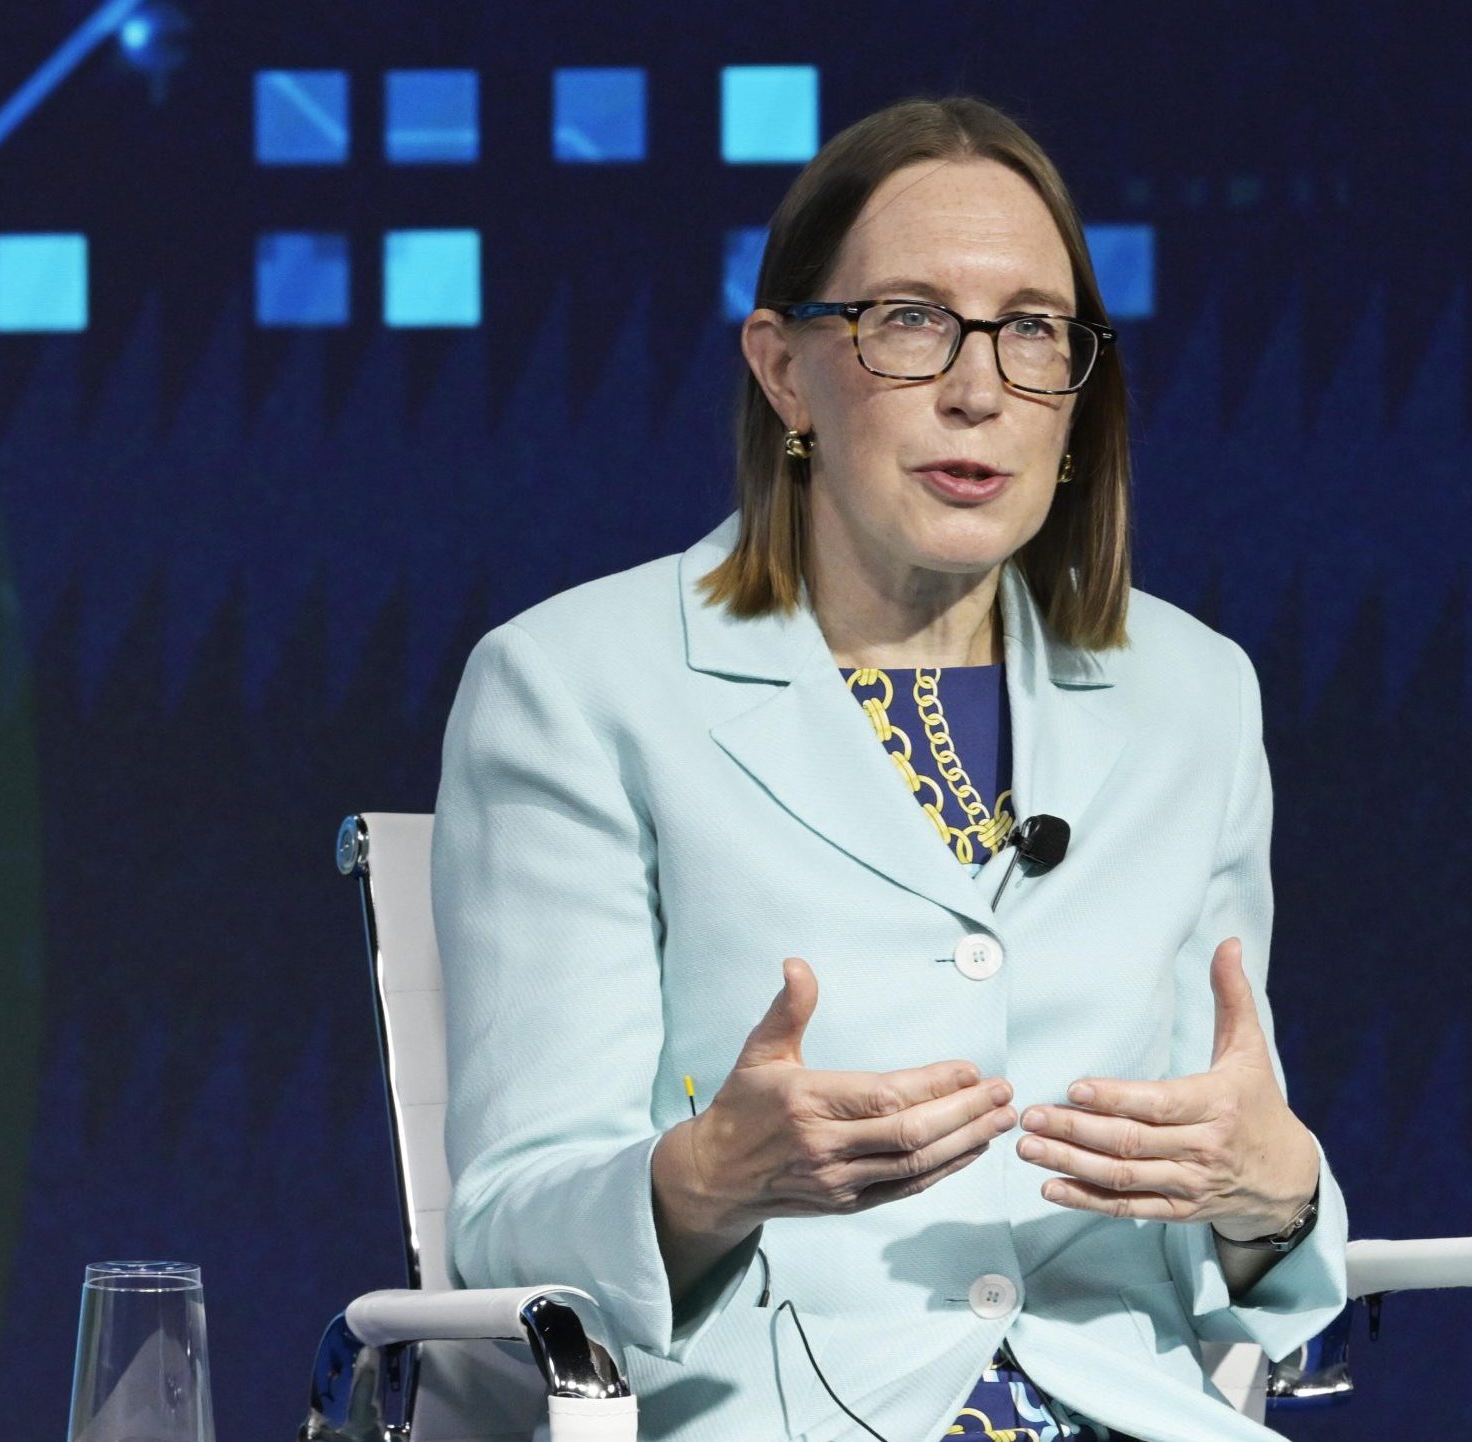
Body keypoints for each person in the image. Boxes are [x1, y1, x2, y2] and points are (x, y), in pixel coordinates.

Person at [433, 94, 1348, 1442]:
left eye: (1033, 329)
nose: (979, 386)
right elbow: (509, 1232)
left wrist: (1272, 1193)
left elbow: (1225, 1224)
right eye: (913, 319)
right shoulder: (573, 686)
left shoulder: (1193, 696)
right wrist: (703, 1179)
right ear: (784, 369)